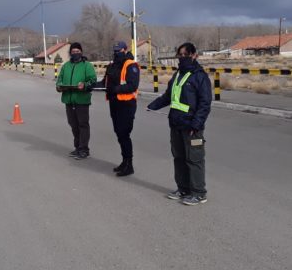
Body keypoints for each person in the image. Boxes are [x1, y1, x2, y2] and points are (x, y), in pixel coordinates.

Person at [147, 42, 212, 205]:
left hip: (192, 127)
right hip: (176, 124)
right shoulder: (177, 75)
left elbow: (205, 104)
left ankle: (199, 193)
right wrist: (153, 105)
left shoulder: (200, 76)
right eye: (180, 55)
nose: (182, 58)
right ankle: (183, 189)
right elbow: (169, 96)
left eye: (186, 55)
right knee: (179, 158)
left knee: (194, 159)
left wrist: (196, 125)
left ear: (194, 55)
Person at [95, 41, 140, 177]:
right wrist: (89, 86)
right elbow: (104, 83)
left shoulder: (131, 65)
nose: (116, 53)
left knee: (124, 134)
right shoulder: (111, 66)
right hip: (114, 104)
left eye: (119, 50)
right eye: (115, 50)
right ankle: (124, 161)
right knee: (119, 134)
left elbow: (133, 85)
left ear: (125, 50)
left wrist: (115, 89)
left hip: (127, 105)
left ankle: (129, 165)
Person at [56, 42, 97, 160]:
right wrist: (59, 86)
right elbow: (60, 80)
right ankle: (77, 147)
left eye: (77, 51)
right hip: (69, 100)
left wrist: (84, 85)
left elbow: (93, 81)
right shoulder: (66, 66)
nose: (75, 53)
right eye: (73, 52)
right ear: (70, 53)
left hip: (82, 100)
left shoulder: (87, 66)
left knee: (83, 125)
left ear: (81, 52)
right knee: (73, 125)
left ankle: (84, 149)